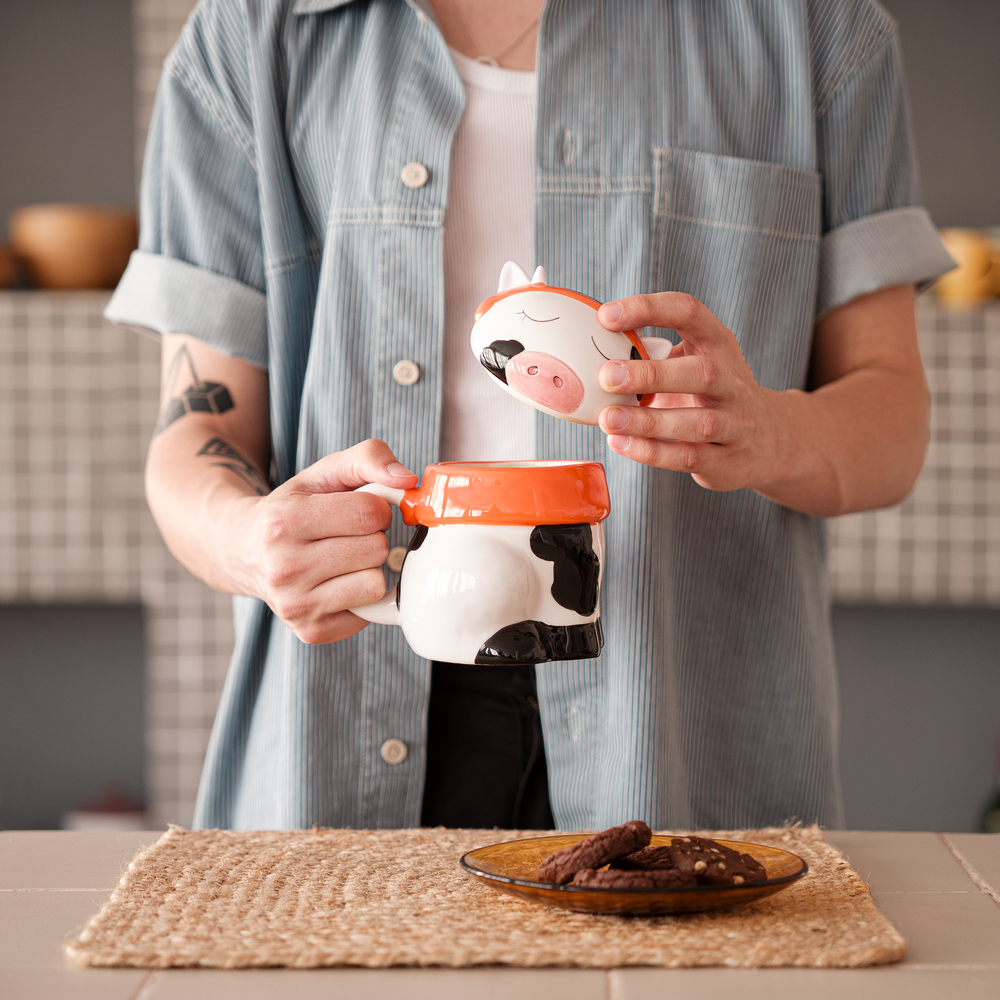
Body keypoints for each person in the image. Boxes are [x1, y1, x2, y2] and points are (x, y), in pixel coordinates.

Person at [106, 0, 954, 831]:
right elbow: (196, 433)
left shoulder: (813, 26)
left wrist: (770, 432)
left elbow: (892, 422)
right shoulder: (250, 33)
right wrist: (250, 543)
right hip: (354, 697)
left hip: (682, 727)